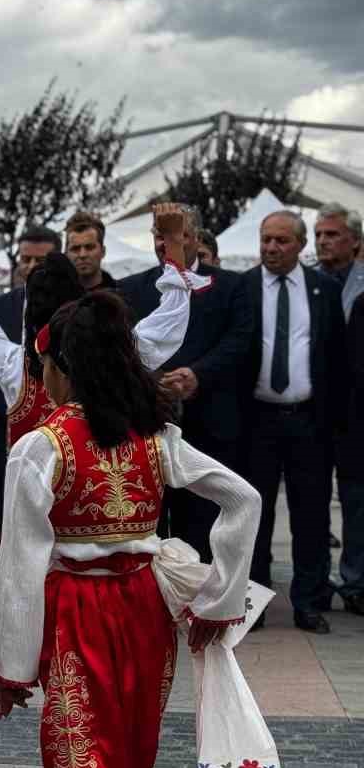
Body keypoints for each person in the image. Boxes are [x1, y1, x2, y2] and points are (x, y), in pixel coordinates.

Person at [0, 290, 262, 768]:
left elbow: (19, 564)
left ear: (61, 367)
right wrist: (219, 598)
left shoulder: (39, 446)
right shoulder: (154, 436)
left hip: (77, 610)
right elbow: (244, 499)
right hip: (144, 610)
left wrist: (10, 667)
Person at [0, 203, 195, 448]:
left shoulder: (11, 365)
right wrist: (173, 241)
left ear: (27, 313)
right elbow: (171, 318)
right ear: (79, 301)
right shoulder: (115, 355)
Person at [118, 204, 252, 563]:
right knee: (151, 531)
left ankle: (208, 612)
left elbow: (240, 340)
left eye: (175, 235)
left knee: (206, 531)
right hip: (148, 430)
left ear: (194, 237)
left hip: (211, 425)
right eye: (158, 236)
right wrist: (151, 378)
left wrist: (198, 374)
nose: (165, 244)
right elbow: (120, 348)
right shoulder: (130, 288)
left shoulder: (231, 286)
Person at [240, 210, 349, 633]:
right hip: (257, 421)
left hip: (309, 422)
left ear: (301, 245)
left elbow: (336, 361)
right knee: (256, 515)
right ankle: (256, 602)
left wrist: (333, 423)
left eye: (281, 241)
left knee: (311, 515)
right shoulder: (243, 288)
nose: (271, 248)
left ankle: (308, 601)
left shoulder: (323, 289)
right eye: (266, 240)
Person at [315, 205, 364, 617]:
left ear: (355, 242)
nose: (323, 241)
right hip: (310, 409)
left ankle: (355, 580)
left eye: (332, 234)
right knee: (310, 500)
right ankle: (314, 579)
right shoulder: (306, 282)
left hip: (355, 413)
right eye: (319, 234)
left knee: (355, 499)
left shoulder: (360, 285)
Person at [64, 212, 117, 291]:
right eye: (75, 248)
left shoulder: (123, 297)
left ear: (103, 251)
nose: (82, 255)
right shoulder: (52, 299)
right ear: (66, 254)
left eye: (89, 247)